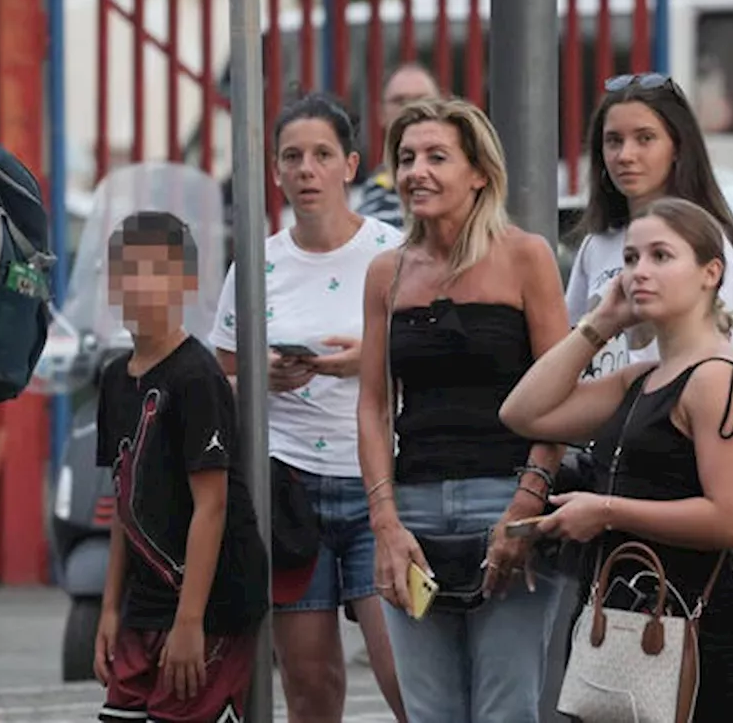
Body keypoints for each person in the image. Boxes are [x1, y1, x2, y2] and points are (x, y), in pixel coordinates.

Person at [500, 197, 733, 721]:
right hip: (623, 616)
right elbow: (523, 413)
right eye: (629, 259)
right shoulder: (641, 379)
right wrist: (599, 323)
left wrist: (605, 511)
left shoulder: (716, 380)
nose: (638, 273)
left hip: (689, 623)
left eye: (660, 257)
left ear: (710, 273)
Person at [357, 97, 571, 723]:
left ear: (479, 172)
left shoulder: (525, 256)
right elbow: (373, 406)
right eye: (405, 158)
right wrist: (384, 524)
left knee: (506, 708)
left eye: (436, 157)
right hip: (413, 510)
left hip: (506, 500)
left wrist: (526, 509)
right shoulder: (385, 274)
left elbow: (558, 394)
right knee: (430, 712)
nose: (415, 171)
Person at [210, 93, 406, 723]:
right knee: (309, 681)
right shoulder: (257, 265)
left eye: (322, 155)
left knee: (404, 669)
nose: (306, 170)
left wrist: (369, 360)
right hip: (288, 487)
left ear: (350, 165)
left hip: (379, 485)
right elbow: (221, 385)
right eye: (291, 157)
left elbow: (435, 364)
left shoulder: (395, 253)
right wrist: (261, 378)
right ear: (274, 171)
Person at [93, 211, 268, 723]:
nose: (139, 285)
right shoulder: (112, 379)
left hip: (211, 605)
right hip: (142, 605)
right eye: (127, 271)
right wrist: (110, 610)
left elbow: (211, 507)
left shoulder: (197, 376)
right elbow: (124, 502)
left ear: (185, 283)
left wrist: (190, 621)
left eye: (156, 271)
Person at [566, 72, 733, 380]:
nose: (625, 155)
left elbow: (715, 364)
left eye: (645, 138)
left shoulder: (706, 240)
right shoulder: (596, 244)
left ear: (678, 146)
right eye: (613, 140)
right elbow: (570, 343)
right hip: (596, 422)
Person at [356, 62, 442, 228]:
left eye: (422, 99)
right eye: (399, 101)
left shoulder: (464, 185)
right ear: (381, 112)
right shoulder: (364, 199)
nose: (410, 108)